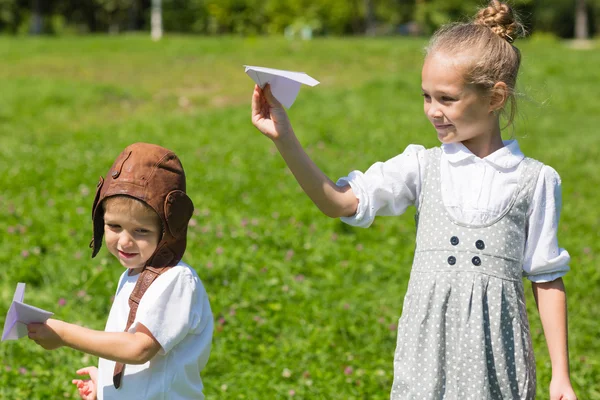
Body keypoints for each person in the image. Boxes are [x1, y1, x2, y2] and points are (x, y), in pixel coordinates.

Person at [250, 1, 577, 399]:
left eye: (447, 99)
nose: (432, 112)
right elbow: (340, 203)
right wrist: (284, 137)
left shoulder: (535, 180)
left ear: (494, 98)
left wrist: (560, 374)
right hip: (426, 362)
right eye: (426, 96)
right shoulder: (422, 168)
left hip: (496, 367)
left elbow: (546, 277)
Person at [27, 142, 213, 400]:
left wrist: (64, 334)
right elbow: (128, 347)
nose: (125, 241)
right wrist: (106, 384)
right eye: (114, 226)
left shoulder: (176, 280)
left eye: (141, 231)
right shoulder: (133, 273)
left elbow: (139, 348)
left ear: (168, 231)